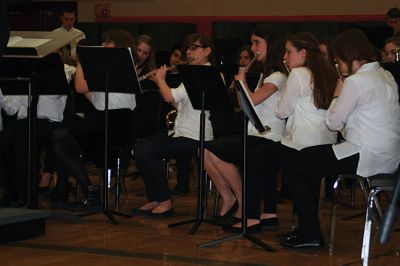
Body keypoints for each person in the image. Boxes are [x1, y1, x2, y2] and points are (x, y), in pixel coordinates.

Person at [279, 28, 400, 249]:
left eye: (338, 59)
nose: (337, 64)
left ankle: (310, 233)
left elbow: (333, 122)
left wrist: (337, 94)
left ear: (348, 56)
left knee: (292, 164)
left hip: (365, 154)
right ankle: (309, 230)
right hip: (390, 156)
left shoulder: (356, 81)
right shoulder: (386, 74)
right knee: (308, 162)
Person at [224, 32, 338, 234]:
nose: (285, 57)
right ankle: (271, 215)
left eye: (289, 52)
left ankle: (251, 218)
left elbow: (282, 111)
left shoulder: (299, 73)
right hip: (324, 143)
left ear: (303, 53)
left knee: (254, 158)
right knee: (265, 155)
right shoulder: (328, 72)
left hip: (300, 143)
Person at [203, 25, 287, 226]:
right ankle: (267, 213)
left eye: (257, 42)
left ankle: (241, 202)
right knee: (208, 149)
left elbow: (253, 100)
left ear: (270, 45)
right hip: (257, 133)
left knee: (213, 149)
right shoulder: (264, 76)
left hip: (269, 136)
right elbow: (244, 106)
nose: (253, 47)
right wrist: (241, 86)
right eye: (252, 42)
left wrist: (241, 83)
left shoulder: (278, 76)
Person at [131, 33, 215, 218]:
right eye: (188, 48)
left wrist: (161, 79)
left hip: (196, 136)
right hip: (182, 132)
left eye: (194, 48)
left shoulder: (204, 74)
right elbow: (177, 103)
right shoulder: (192, 73)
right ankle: (155, 198)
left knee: (148, 150)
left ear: (207, 51)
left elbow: (170, 96)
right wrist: (160, 83)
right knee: (139, 148)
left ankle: (165, 202)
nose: (189, 51)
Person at [52, 29, 137, 209]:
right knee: (60, 137)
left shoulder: (120, 68)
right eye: (105, 41)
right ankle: (84, 190)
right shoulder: (108, 71)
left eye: (109, 41)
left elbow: (80, 86)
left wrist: (83, 61)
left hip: (116, 126)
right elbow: (94, 98)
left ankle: (89, 191)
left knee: (62, 139)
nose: (105, 45)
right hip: (104, 122)